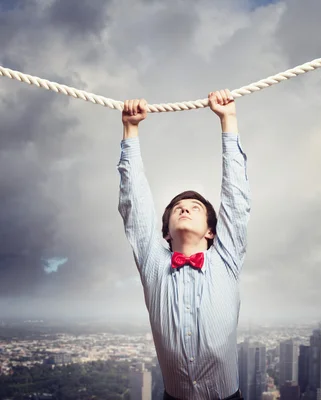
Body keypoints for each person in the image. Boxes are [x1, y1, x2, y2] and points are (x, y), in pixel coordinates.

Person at [117, 90, 251, 400]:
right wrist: (130, 129)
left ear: (210, 232)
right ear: (166, 233)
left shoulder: (226, 258)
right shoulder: (153, 263)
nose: (185, 209)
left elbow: (235, 199)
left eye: (195, 208)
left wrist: (228, 119)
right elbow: (134, 205)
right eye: (178, 208)